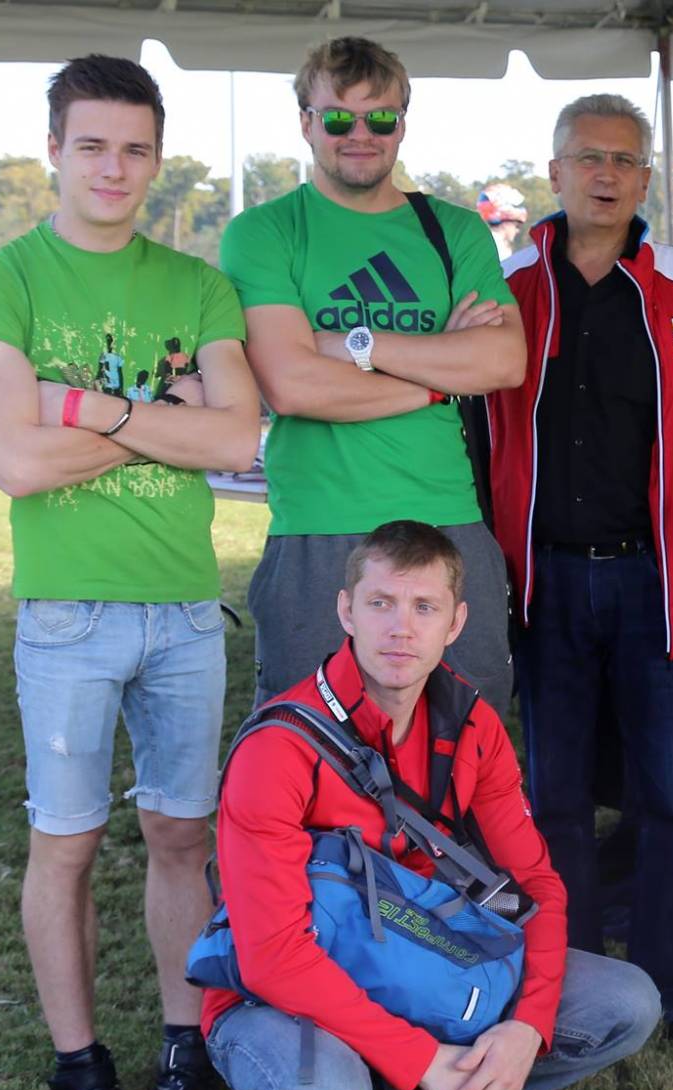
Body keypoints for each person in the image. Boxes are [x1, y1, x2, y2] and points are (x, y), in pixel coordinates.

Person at [0, 55, 263, 1090]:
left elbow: (235, 438)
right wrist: (162, 416)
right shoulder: (6, 280)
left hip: (184, 607)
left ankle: (186, 1047)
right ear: (54, 150)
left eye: (135, 149)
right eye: (91, 145)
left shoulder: (198, 284)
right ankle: (78, 1066)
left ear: (156, 160)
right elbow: (14, 461)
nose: (112, 168)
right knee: (68, 843)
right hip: (68, 608)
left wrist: (85, 408)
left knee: (183, 836)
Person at [204, 520, 660, 1090]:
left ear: (456, 623)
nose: (401, 628)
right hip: (283, 997)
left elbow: (537, 886)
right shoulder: (277, 749)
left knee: (626, 1001)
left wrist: (528, 1027)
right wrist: (421, 1059)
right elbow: (272, 958)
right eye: (380, 603)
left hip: (422, 962)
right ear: (345, 611)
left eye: (424, 607)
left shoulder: (473, 724)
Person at [490, 94, 673, 1037]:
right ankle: (575, 983)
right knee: (557, 796)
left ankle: (665, 983)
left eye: (623, 160)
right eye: (588, 157)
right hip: (544, 581)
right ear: (555, 172)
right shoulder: (506, 293)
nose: (605, 174)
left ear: (646, 180)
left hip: (663, 575)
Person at [221, 35, 525, 715]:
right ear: (306, 123)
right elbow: (294, 386)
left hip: (448, 521)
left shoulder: (453, 231)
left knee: (463, 741)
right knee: (312, 744)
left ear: (402, 125)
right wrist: (440, 376)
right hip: (318, 528)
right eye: (338, 118)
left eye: (379, 118)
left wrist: (355, 344)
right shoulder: (265, 232)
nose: (360, 134)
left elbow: (503, 361)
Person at [477, 181, 528, 261]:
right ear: (505, 223)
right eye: (516, 226)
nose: (517, 231)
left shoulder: (482, 242)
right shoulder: (498, 248)